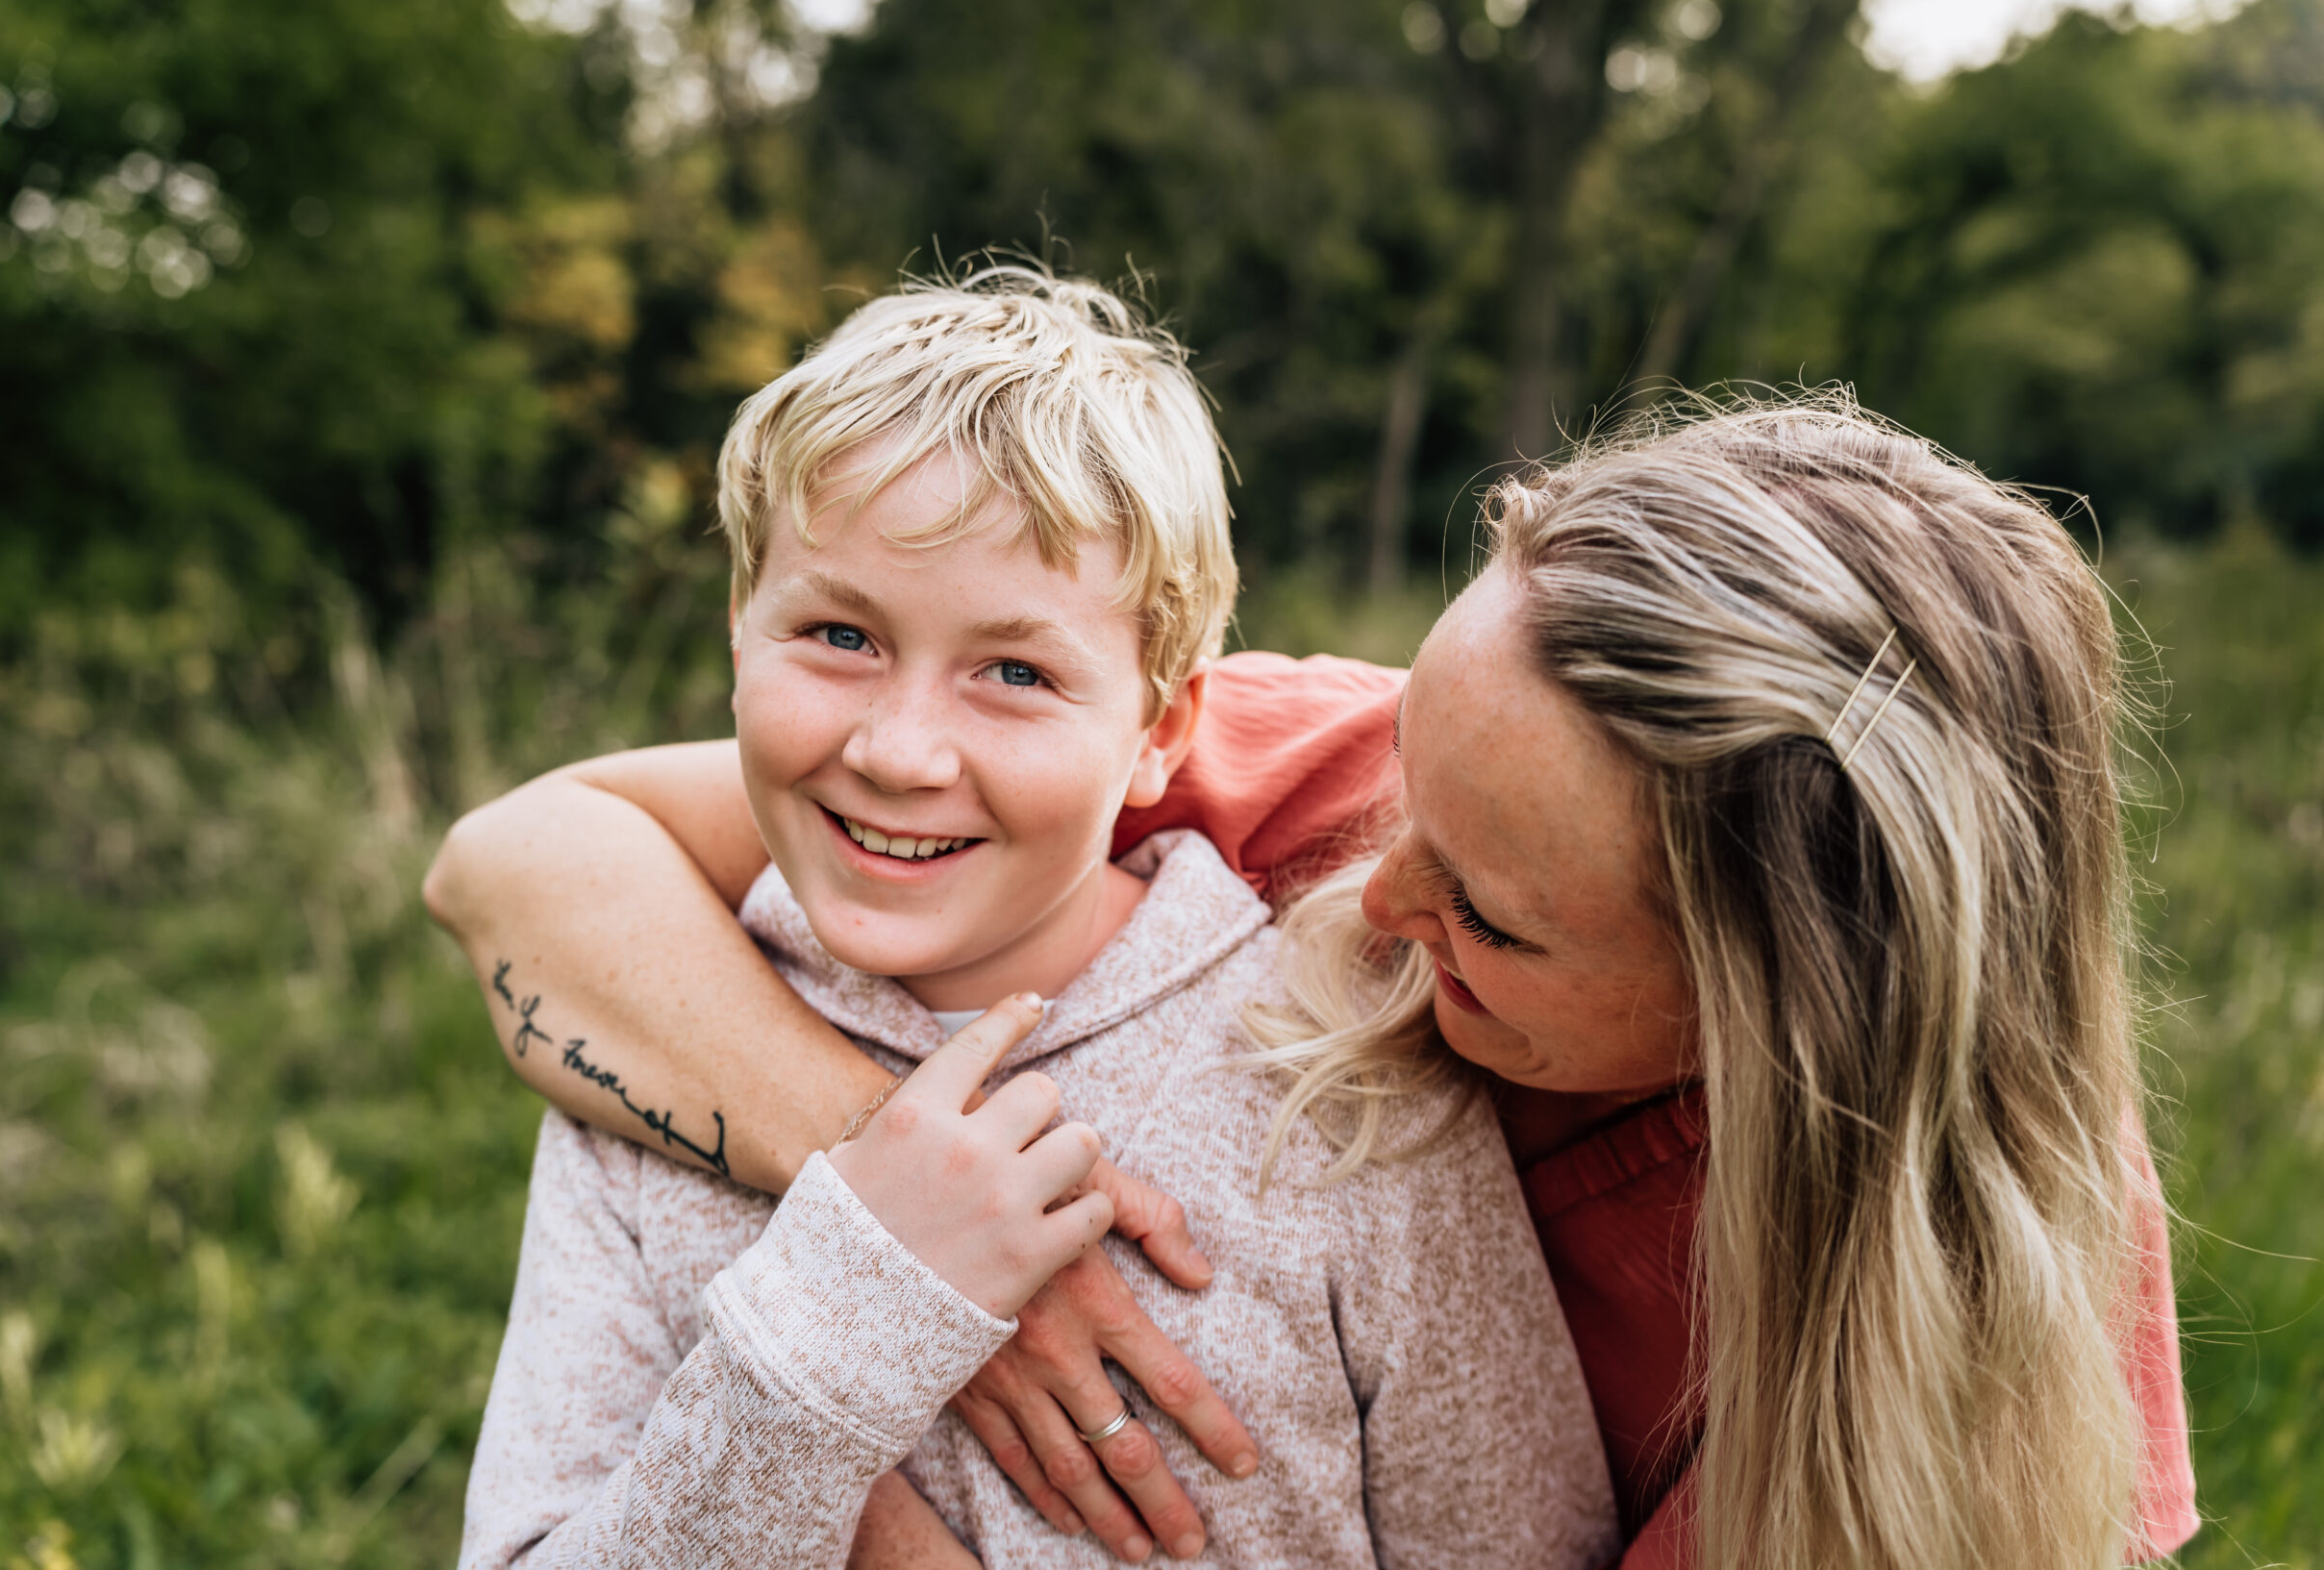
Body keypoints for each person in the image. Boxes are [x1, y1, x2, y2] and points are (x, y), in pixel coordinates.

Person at [429, 394, 2202, 1568]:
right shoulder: (1326, 764)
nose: (1373, 893)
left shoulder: (1954, 1346)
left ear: (1776, 1027)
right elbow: (522, 867)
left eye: (1492, 917)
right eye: (1405, 796)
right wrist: (912, 1239)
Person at [453, 271, 1619, 1569]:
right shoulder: (648, 1052)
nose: (899, 751)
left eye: (1015, 672)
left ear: (1161, 731)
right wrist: (837, 1327)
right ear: (741, 635)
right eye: (838, 634)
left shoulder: (1347, 1087)